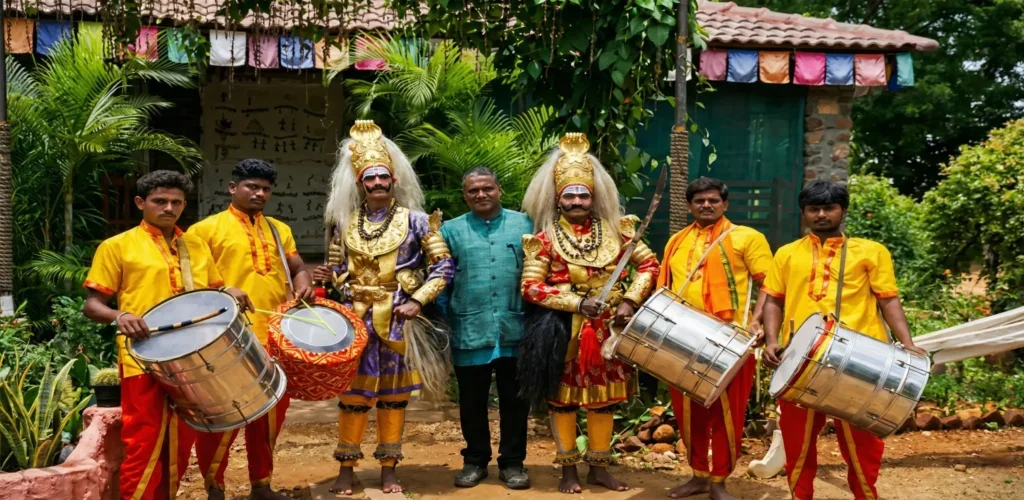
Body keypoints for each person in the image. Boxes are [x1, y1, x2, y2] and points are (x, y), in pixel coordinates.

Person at [82, 171, 252, 500]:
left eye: (176, 202)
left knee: (182, 439)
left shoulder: (196, 245)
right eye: (160, 201)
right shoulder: (117, 246)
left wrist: (229, 290)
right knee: (144, 440)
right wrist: (121, 315)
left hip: (194, 357)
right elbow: (92, 305)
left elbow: (212, 291)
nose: (168, 208)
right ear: (140, 203)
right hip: (142, 358)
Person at [760, 180, 927, 500]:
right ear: (804, 213)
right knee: (797, 443)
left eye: (829, 208)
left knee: (864, 444)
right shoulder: (786, 253)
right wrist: (771, 342)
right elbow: (773, 300)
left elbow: (888, 300)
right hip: (799, 361)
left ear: (843, 210)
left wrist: (907, 343)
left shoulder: (871, 251)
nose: (821, 214)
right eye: (813, 209)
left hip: (862, 362)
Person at [313, 120, 454, 495]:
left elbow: (444, 268)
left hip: (398, 322)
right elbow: (338, 273)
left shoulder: (419, 221)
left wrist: (418, 301)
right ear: (360, 184)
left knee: (394, 398)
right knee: (353, 398)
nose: (376, 184)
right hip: (355, 322)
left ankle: (390, 467)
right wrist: (329, 279)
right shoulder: (344, 223)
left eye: (382, 178)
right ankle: (347, 467)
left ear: (393, 181)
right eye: (369, 179)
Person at [519, 133, 659, 494]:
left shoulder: (617, 232)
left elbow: (649, 265)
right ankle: (567, 470)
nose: (577, 201)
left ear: (593, 198)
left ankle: (599, 467)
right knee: (562, 403)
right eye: (570, 195)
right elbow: (531, 288)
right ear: (558, 200)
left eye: (583, 194)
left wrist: (629, 301)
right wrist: (577, 304)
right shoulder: (545, 240)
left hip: (608, 333)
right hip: (561, 333)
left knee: (604, 402)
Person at [187, 159, 315, 500]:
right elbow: (191, 284)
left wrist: (304, 283)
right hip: (227, 339)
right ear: (233, 188)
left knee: (270, 417)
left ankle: (262, 485)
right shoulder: (204, 230)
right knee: (223, 417)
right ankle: (215, 487)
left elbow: (297, 266)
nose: (260, 194)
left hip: (274, 335)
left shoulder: (278, 229)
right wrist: (224, 290)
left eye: (266, 189)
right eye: (252, 187)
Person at [658, 177, 774, 500]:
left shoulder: (746, 238)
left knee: (726, 414)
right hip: (681, 339)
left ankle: (719, 481)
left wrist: (757, 321)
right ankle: (698, 476)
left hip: (731, 341)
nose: (706, 205)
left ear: (725, 204)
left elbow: (771, 284)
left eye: (713, 200)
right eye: (699, 201)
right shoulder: (676, 242)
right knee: (687, 411)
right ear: (689, 205)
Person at [438, 166, 534, 490]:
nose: (481, 194)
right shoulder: (450, 231)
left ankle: (513, 463)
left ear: (499, 189)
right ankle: (475, 460)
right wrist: (446, 319)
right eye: (473, 190)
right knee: (472, 402)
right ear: (464, 195)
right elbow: (441, 280)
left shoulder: (526, 224)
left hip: (516, 327)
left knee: (515, 402)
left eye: (487, 188)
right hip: (469, 327)